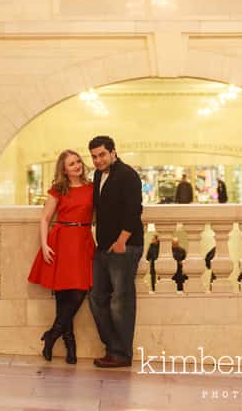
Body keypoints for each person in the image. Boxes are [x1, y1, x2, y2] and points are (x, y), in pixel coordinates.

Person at [27, 149, 94, 364]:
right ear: (64, 170)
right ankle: (70, 345)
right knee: (64, 294)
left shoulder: (92, 188)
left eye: (78, 162)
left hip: (82, 240)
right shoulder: (58, 190)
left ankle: (52, 334)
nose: (77, 166)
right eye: (71, 164)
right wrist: (45, 245)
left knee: (80, 292)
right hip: (62, 240)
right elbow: (45, 218)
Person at [87, 135, 143, 368]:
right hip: (103, 247)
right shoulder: (99, 174)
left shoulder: (128, 175)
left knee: (120, 301)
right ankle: (113, 348)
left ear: (113, 152)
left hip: (124, 247)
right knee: (96, 297)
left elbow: (134, 210)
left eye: (101, 155)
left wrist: (121, 241)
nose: (98, 160)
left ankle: (121, 354)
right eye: (94, 156)